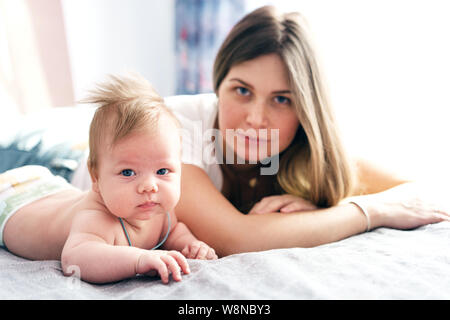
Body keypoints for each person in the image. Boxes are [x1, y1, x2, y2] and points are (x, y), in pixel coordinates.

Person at [160, 5, 449, 257]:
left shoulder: (305, 143)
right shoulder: (173, 128)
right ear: (218, 85)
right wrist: (369, 211)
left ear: (305, 110)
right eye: (242, 90)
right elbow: (237, 238)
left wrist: (324, 208)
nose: (257, 118)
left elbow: (424, 194)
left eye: (282, 99)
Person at [0, 74, 217, 284]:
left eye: (162, 171)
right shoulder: (96, 218)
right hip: (13, 199)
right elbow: (76, 259)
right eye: (128, 172)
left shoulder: (160, 211)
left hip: (54, 189)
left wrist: (189, 244)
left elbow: (173, 230)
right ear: (95, 177)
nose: (149, 186)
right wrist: (138, 260)